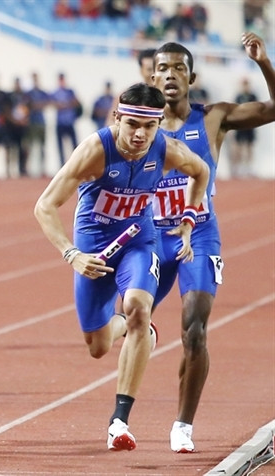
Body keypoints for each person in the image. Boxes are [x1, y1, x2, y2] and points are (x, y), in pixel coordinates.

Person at [34, 82, 209, 452]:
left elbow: (202, 171)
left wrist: (189, 219)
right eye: (132, 124)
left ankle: (119, 421)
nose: (140, 134)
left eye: (149, 126)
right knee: (97, 346)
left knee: (138, 308)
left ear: (159, 124)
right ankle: (129, 329)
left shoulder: (167, 149)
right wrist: (72, 254)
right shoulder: (95, 151)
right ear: (117, 118)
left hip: (138, 242)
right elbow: (45, 206)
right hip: (93, 250)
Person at [150, 32, 275, 453]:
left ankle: (182, 425)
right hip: (151, 236)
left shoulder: (213, 118)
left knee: (194, 330)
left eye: (179, 68)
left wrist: (263, 62)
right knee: (121, 324)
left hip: (200, 233)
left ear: (192, 78)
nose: (171, 75)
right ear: (152, 78)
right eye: (163, 68)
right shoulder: (137, 124)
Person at [51, 72, 81, 166]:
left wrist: (66, 104)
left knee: (75, 145)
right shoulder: (55, 92)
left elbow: (76, 102)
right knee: (60, 147)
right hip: (60, 123)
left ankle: (76, 163)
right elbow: (54, 104)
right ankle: (62, 165)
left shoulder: (70, 91)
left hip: (69, 122)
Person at [230, 77, 258, 178]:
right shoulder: (238, 97)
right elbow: (234, 111)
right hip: (240, 125)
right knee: (238, 147)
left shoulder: (253, 96)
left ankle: (248, 167)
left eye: (247, 84)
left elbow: (257, 110)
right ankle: (237, 168)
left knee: (249, 146)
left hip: (250, 125)